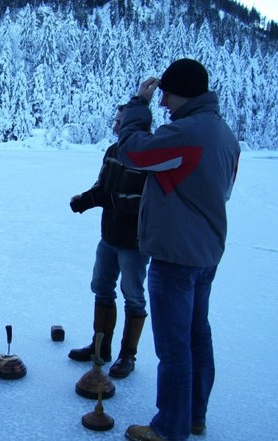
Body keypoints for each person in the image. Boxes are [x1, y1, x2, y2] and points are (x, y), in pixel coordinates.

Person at [116, 59, 240, 441]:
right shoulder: (224, 135)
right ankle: (193, 416)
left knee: (174, 346)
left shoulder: (188, 133)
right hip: (205, 252)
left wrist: (139, 106)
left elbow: (134, 153)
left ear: (183, 93)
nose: (164, 103)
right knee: (196, 335)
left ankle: (170, 427)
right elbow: (221, 191)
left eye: (167, 94)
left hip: (176, 255)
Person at [68, 105, 150, 379]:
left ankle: (128, 356)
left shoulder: (150, 156)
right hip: (109, 237)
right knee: (101, 288)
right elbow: (102, 186)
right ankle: (100, 348)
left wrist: (108, 200)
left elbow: (146, 203)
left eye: (119, 122)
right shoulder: (114, 152)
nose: (114, 127)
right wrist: (86, 200)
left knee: (133, 297)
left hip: (135, 243)